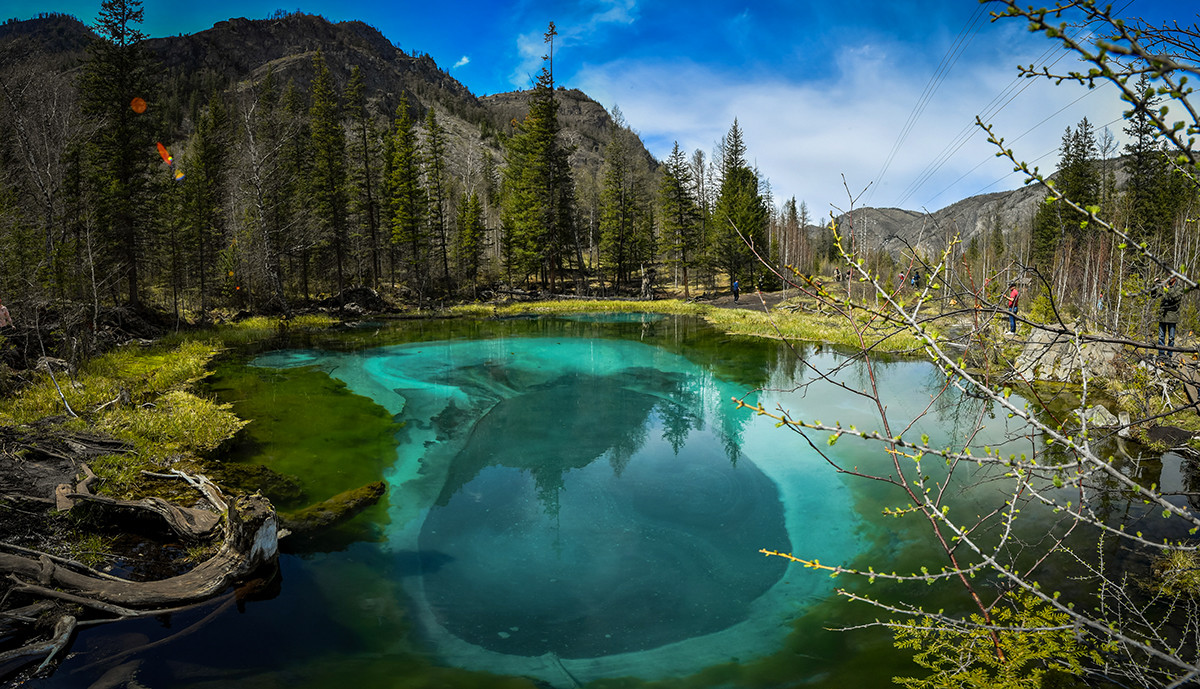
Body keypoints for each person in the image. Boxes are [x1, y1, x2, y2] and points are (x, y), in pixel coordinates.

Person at [1158, 275, 1184, 360]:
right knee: (1161, 336)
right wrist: (1156, 284)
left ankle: (1169, 355)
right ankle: (1161, 354)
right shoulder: (1165, 286)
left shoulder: (1179, 288)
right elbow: (1154, 295)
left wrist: (1167, 287)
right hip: (1163, 315)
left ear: (1175, 278)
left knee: (1171, 338)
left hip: (1172, 316)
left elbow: (1174, 297)